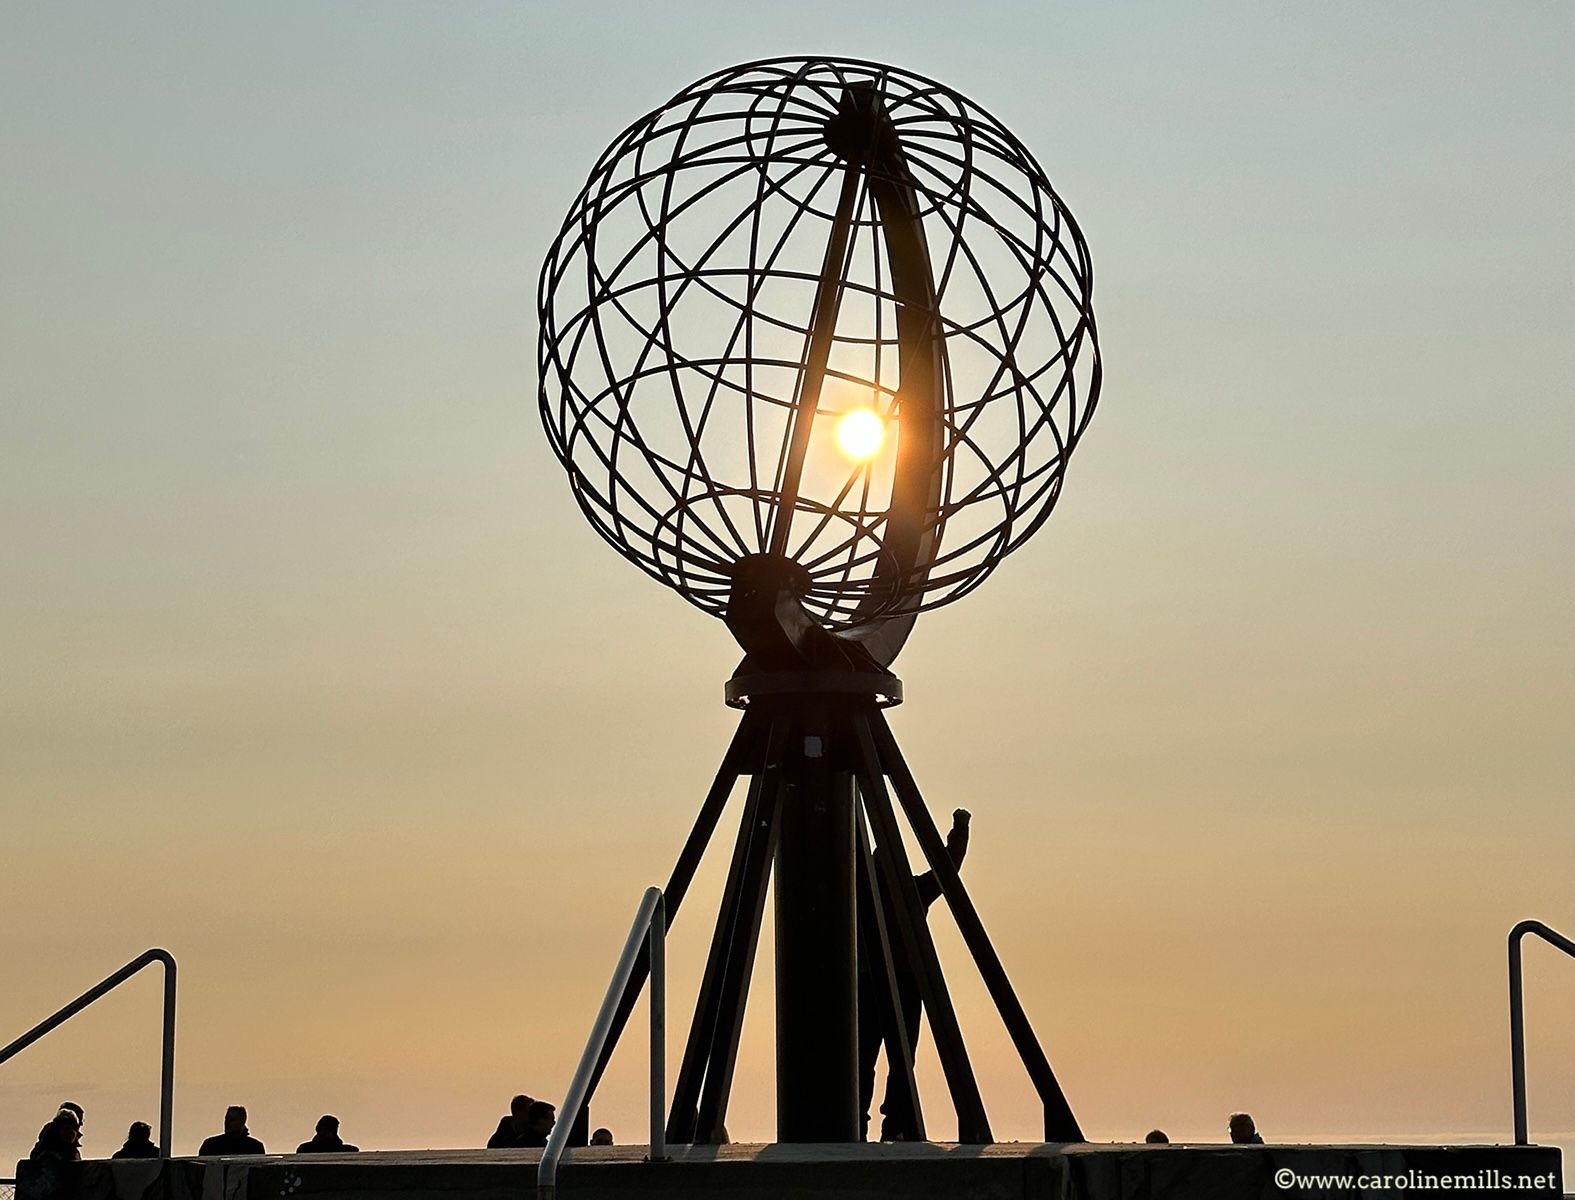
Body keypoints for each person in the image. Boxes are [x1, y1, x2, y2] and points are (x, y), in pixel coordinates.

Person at [857, 807, 971, 1141]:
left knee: (866, 1060)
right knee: (900, 1060)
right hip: (903, 985)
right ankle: (895, 1127)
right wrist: (959, 830)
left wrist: (959, 831)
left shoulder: (861, 894)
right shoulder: (913, 891)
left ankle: (861, 1125)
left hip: (869, 986)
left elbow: (946, 869)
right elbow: (947, 869)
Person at [198, 1106, 266, 1155]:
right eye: (226, 1119)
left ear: (242, 1122)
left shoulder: (255, 1147)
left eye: (232, 1120)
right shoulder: (210, 1145)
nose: (227, 1122)